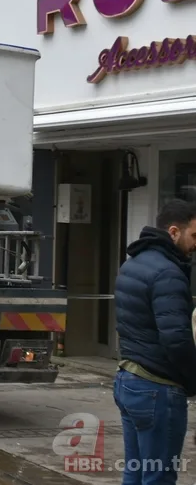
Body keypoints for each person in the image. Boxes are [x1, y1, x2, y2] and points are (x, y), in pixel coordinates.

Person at [114, 199, 196, 484]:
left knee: (135, 473)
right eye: (194, 235)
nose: (195, 244)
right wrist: (192, 379)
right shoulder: (169, 273)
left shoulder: (134, 264)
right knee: (159, 477)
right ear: (174, 231)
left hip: (128, 381)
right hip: (157, 389)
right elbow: (176, 339)